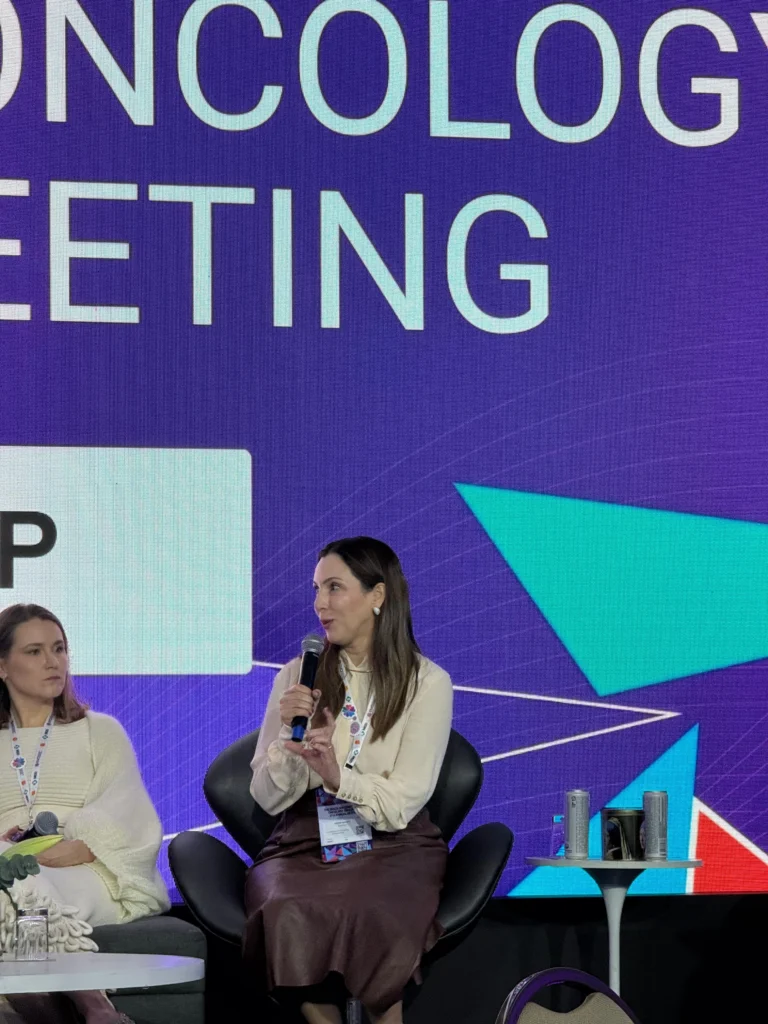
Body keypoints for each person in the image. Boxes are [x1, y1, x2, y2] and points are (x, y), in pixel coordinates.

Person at [245, 537, 453, 1024]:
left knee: (372, 909)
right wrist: (291, 740)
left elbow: (402, 801)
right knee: (283, 908)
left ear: (378, 595)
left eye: (334, 587)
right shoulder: (297, 675)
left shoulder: (427, 683)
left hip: (392, 843)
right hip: (304, 841)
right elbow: (266, 797)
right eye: (316, 589)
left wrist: (340, 777)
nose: (320, 603)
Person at [0, 603, 170, 1024]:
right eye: (35, 651)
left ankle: (65, 1001)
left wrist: (78, 845)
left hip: (89, 871)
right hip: (8, 868)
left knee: (18, 881)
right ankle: (91, 1006)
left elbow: (128, 813)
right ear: (2, 667)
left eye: (59, 648)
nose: (53, 661)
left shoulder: (100, 730)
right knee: (12, 880)